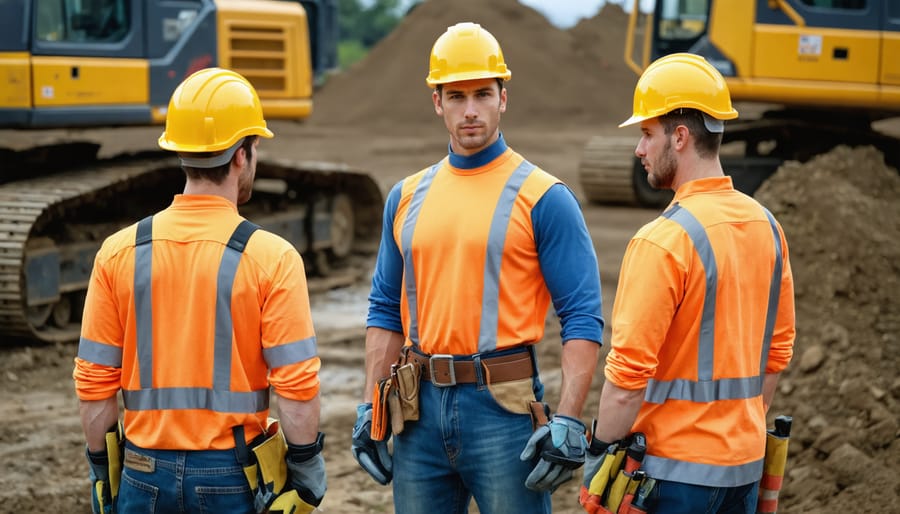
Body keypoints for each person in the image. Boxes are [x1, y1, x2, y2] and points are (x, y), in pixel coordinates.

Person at [351, 22, 604, 514]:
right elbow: (384, 309)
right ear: (437, 102)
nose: (470, 110)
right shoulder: (405, 197)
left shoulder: (544, 198)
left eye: (483, 94)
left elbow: (582, 316)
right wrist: (370, 406)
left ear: (503, 98)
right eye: (457, 96)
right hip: (417, 409)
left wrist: (570, 419)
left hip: (504, 410)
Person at [73, 68, 326, 514]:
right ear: (242, 155)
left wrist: (102, 470)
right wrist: (305, 468)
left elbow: (94, 383)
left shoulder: (117, 252)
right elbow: (296, 387)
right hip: (232, 475)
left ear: (179, 150)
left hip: (141, 470)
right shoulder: (272, 257)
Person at [580, 53, 796, 514]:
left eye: (646, 133)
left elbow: (626, 380)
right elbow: (776, 354)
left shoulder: (663, 240)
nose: (639, 149)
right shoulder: (767, 226)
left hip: (672, 478)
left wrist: (599, 456)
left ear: (679, 137)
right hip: (744, 471)